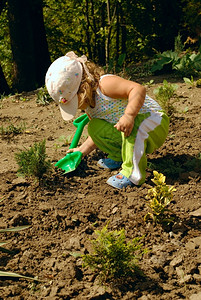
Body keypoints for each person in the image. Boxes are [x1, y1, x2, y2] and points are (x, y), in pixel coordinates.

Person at [45, 51, 169, 189]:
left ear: (83, 87)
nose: (77, 107)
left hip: (153, 121)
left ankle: (133, 175)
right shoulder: (90, 107)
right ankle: (120, 156)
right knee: (95, 127)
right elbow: (98, 135)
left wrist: (129, 115)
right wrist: (82, 150)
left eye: (75, 101)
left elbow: (137, 89)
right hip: (130, 129)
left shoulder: (105, 85)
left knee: (133, 127)